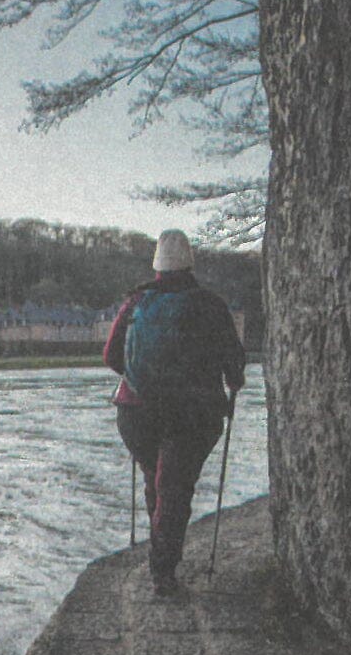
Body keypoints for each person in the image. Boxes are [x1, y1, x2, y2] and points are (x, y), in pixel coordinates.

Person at [103, 229, 245, 595]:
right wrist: (229, 383)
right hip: (192, 413)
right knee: (175, 489)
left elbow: (110, 357)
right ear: (190, 263)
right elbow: (235, 366)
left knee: (158, 481)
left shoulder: (136, 302)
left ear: (156, 266)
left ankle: (159, 554)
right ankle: (163, 572)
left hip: (135, 414)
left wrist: (140, 380)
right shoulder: (211, 305)